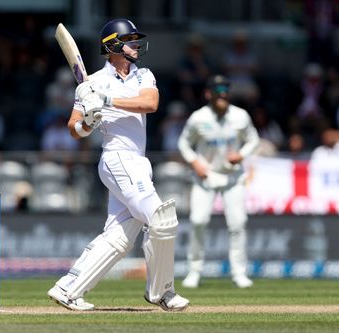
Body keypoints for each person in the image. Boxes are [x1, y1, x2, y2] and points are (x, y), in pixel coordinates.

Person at [46, 18, 189, 312]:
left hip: (138, 160)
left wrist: (107, 100)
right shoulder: (92, 83)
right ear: (113, 46)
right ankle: (162, 292)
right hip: (117, 157)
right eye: (130, 41)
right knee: (161, 219)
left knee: (120, 237)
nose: (136, 46)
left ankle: (68, 288)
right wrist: (88, 122)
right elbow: (74, 128)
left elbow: (150, 103)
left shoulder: (143, 75)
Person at [177, 75, 260, 289]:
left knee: (237, 223)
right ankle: (194, 271)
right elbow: (184, 143)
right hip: (206, 176)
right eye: (217, 93)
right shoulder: (198, 118)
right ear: (208, 94)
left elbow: (253, 140)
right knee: (198, 221)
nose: (222, 97)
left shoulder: (241, 116)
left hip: (232, 176)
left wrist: (241, 155)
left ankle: (239, 273)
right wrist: (195, 162)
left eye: (225, 93)